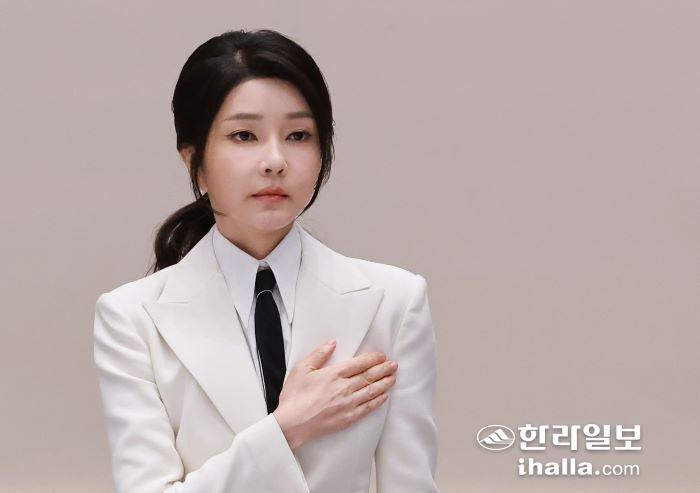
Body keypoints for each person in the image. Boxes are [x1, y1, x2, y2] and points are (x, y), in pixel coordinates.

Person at [93, 28, 438, 493]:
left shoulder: (395, 302)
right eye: (244, 135)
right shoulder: (131, 319)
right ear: (194, 160)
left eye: (298, 135)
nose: (275, 160)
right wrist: (287, 428)